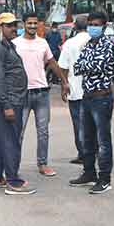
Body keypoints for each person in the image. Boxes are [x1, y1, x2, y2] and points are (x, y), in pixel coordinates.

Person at [0, 12, 35, 195]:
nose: (14, 28)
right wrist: (7, 105)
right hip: (10, 100)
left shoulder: (8, 45)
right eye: (9, 25)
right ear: (1, 27)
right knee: (11, 141)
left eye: (14, 25)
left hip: (12, 98)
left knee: (1, 139)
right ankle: (13, 181)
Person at [13, 11, 68, 177]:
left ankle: (42, 164)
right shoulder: (15, 44)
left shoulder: (43, 43)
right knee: (18, 132)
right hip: (22, 94)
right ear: (23, 24)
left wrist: (64, 82)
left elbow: (52, 63)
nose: (32, 26)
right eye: (29, 23)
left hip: (42, 93)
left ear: (39, 24)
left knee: (43, 132)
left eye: (35, 23)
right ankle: (12, 166)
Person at [70, 11, 114, 194]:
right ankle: (89, 173)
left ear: (104, 27)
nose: (92, 28)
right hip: (87, 96)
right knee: (86, 138)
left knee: (103, 140)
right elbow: (77, 67)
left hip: (102, 98)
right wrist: (88, 64)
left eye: (96, 25)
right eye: (90, 24)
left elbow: (99, 65)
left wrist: (87, 65)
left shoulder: (108, 45)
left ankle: (105, 179)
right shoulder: (88, 44)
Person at [57, 14, 90, 165]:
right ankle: (95, 151)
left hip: (75, 90)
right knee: (95, 123)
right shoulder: (95, 40)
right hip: (94, 91)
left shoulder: (70, 44)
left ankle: (83, 154)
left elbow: (63, 67)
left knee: (79, 124)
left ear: (75, 27)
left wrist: (64, 86)